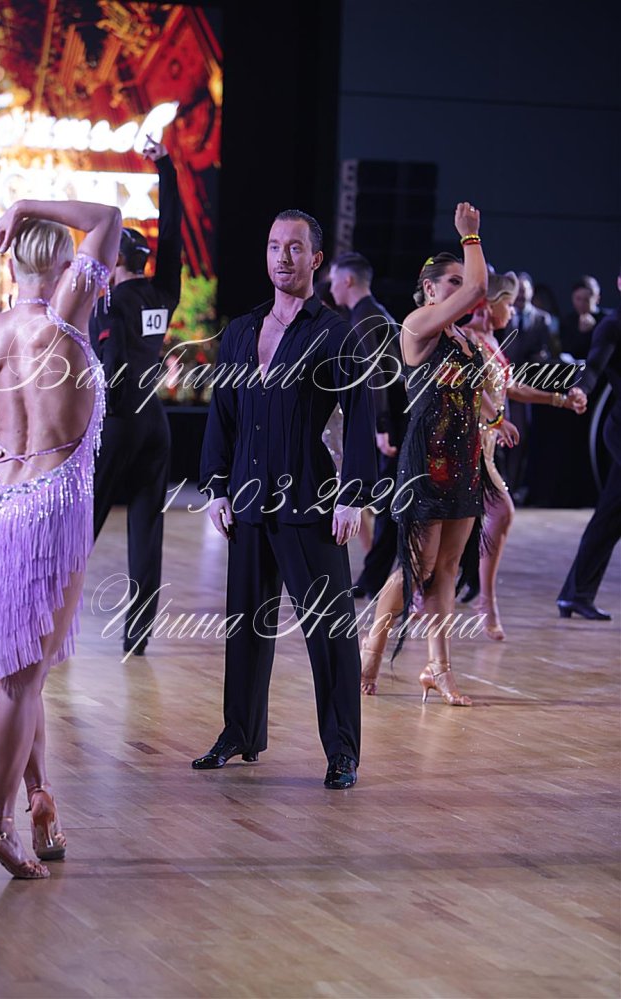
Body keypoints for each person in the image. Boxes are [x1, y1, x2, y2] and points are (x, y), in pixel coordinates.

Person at [0, 198, 121, 880]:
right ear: (63, 266)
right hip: (45, 506)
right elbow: (108, 217)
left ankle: (40, 797)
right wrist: (26, 205)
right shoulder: (66, 315)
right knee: (22, 683)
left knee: (24, 672)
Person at [192, 209, 377, 789]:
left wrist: (353, 496)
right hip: (248, 502)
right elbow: (224, 412)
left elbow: (362, 412)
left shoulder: (336, 333)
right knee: (245, 626)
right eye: (274, 246)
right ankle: (240, 733)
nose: (282, 257)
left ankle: (342, 751)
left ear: (316, 259)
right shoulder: (242, 331)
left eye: (294, 248)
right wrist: (215, 484)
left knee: (331, 634)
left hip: (310, 503)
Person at [359, 202, 499, 703]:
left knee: (448, 569)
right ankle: (370, 652)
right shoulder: (418, 324)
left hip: (463, 461)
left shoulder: (464, 338)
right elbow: (480, 288)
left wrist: (498, 418)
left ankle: (438, 668)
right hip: (427, 462)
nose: (462, 290)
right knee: (415, 566)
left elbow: (478, 393)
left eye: (462, 281)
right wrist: (471, 236)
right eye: (452, 283)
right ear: (430, 289)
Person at [89, 138, 182, 656]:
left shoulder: (111, 303)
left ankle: (51, 618)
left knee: (84, 524)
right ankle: (138, 635)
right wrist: (166, 167)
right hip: (156, 423)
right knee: (147, 530)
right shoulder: (163, 293)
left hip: (119, 420)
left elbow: (111, 366)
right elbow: (173, 233)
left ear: (115, 259)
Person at [459, 272, 586, 638]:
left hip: (485, 449)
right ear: (489, 304)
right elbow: (470, 388)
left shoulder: (490, 341)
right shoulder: (466, 339)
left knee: (491, 517)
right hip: (464, 447)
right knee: (453, 530)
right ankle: (423, 599)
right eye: (509, 305)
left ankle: (482, 601)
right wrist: (497, 420)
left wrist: (559, 399)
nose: (513, 312)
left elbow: (509, 387)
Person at [328, 252, 407, 602]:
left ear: (347, 280)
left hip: (396, 419)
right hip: (398, 416)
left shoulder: (364, 316)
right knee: (390, 502)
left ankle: (375, 578)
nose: (331, 287)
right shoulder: (374, 311)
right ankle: (375, 576)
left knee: (390, 503)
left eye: (334, 280)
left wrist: (382, 425)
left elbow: (375, 376)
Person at [557, 269, 621, 620]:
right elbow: (594, 366)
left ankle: (575, 595)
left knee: (610, 517)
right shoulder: (612, 325)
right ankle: (575, 594)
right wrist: (580, 389)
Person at [503, 271, 560, 501]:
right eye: (517, 292)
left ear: (531, 292)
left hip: (525, 384)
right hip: (499, 381)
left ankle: (513, 486)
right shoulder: (504, 314)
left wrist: (541, 358)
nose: (520, 297)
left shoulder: (542, 319)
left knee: (520, 436)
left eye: (524, 292)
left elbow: (550, 352)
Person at [560, 276, 606, 359]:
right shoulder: (567, 321)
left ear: (597, 299)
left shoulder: (607, 320)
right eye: (578, 299)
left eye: (586, 300)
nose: (581, 304)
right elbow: (567, 352)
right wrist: (582, 334)